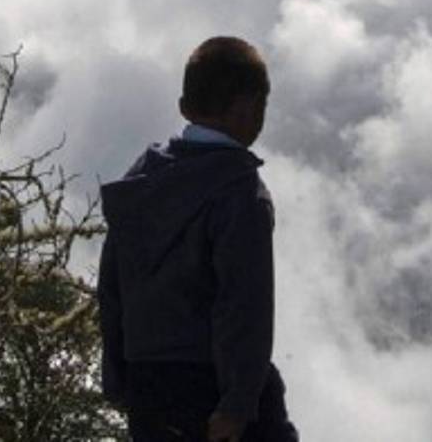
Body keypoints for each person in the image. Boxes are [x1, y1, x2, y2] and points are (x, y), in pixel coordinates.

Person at [98, 36, 298, 442]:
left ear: (184, 107)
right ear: (250, 109)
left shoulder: (143, 177)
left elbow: (112, 284)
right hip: (211, 388)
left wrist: (118, 377)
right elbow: (244, 308)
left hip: (147, 385)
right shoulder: (241, 194)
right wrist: (238, 403)